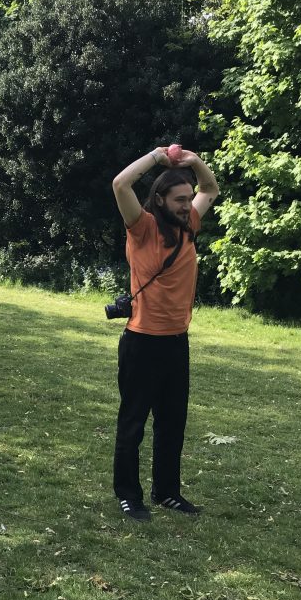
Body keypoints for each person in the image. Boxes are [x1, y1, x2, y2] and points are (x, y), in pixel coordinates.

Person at [110, 146, 219, 521]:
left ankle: (167, 491)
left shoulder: (188, 223)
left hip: (177, 342)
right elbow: (120, 183)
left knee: (173, 423)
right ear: (159, 199)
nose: (186, 204)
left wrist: (193, 162)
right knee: (134, 422)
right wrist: (157, 157)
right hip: (142, 341)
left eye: (188, 199)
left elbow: (211, 188)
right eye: (178, 199)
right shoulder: (142, 228)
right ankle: (128, 494)